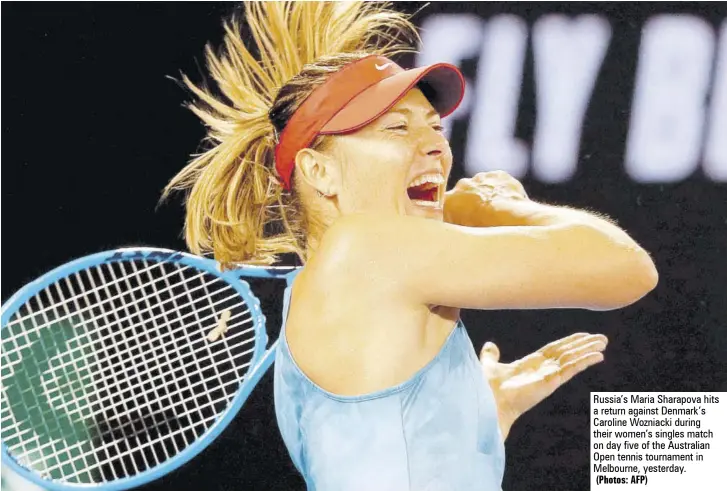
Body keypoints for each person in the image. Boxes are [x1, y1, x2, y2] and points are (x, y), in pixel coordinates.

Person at [164, 2, 658, 490]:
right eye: (397, 128)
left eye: (435, 127)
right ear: (319, 170)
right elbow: (627, 269)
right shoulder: (367, 249)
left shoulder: (326, 292)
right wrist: (495, 208)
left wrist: (470, 421)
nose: (436, 147)